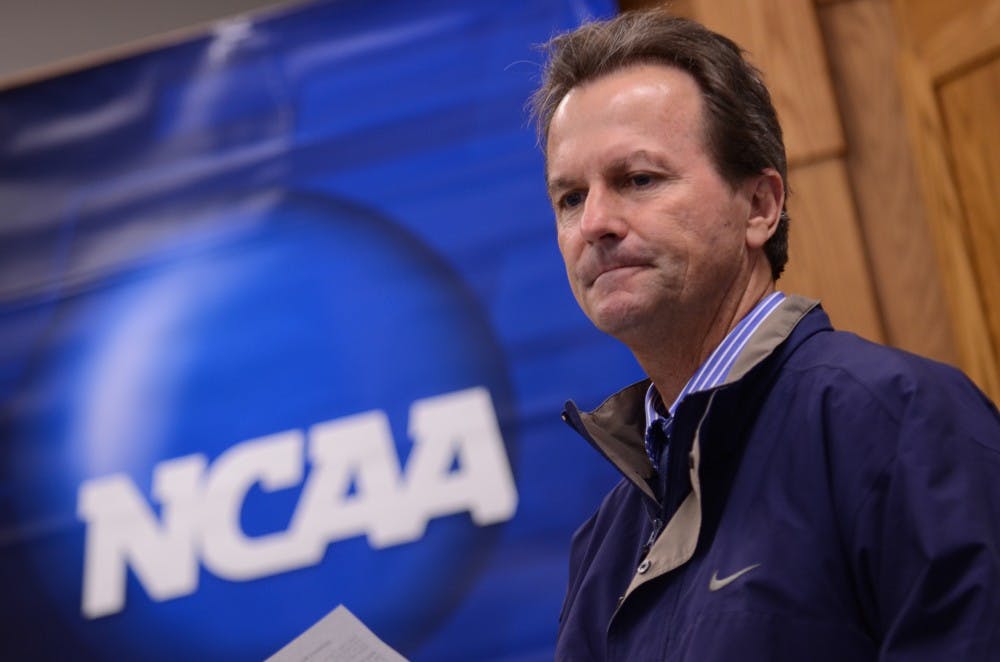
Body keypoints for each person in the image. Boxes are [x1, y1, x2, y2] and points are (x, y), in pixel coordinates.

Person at [530, 9, 1000, 661]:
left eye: (638, 179)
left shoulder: (902, 423)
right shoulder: (603, 548)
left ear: (760, 206)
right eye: (570, 198)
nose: (596, 223)